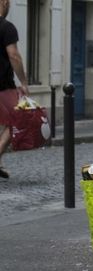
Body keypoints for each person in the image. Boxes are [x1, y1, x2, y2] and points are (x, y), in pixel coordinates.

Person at [0, 0, 28, 179]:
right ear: (4, 2)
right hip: (3, 85)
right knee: (18, 118)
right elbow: (14, 56)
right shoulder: (6, 27)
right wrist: (24, 82)